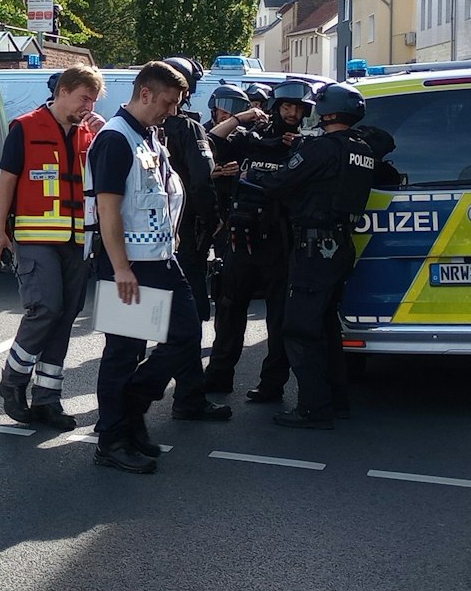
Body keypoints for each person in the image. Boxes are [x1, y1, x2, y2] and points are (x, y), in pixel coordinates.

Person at [86, 61, 202, 474]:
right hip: (130, 264)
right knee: (124, 351)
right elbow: (108, 209)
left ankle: (130, 410)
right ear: (146, 93)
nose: (172, 111)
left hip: (158, 259)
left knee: (185, 335)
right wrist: (120, 269)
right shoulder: (116, 139)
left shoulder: (149, 135)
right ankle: (114, 439)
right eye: (168, 103)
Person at [258, 82, 390, 429]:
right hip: (341, 244)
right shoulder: (362, 148)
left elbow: (281, 181)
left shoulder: (322, 148)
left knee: (300, 329)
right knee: (327, 327)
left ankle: (313, 409)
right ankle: (336, 402)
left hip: (315, 248)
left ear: (327, 112)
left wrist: (251, 172)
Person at [0, 65, 101, 429]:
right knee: (46, 309)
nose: (89, 106)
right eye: (85, 98)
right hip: (36, 237)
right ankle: (13, 379)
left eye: (94, 100)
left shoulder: (89, 134)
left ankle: (48, 399)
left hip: (77, 240)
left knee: (66, 316)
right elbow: (6, 183)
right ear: (64, 91)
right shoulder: (25, 127)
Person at [205, 81, 309, 402]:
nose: (291, 114)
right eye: (286, 107)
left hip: (280, 243)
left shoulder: (304, 146)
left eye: (298, 109)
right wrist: (243, 117)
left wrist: (299, 146)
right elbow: (212, 140)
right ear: (276, 108)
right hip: (241, 242)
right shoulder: (251, 139)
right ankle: (219, 376)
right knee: (229, 312)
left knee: (278, 321)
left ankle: (271, 385)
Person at [156, 56, 231, 421]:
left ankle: (124, 402)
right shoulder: (187, 129)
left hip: (134, 247)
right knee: (188, 320)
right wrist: (214, 219)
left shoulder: (127, 129)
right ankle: (182, 395)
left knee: (130, 332)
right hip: (182, 240)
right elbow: (201, 182)